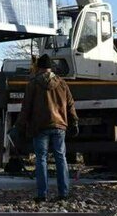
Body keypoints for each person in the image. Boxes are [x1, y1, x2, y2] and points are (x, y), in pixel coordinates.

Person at [15, 54, 79, 202]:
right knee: (60, 158)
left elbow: (26, 108)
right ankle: (63, 193)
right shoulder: (62, 83)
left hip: (40, 126)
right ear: (51, 68)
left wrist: (19, 126)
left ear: (39, 68)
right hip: (59, 126)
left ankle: (41, 194)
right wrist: (74, 121)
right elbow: (70, 104)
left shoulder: (33, 84)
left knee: (41, 159)